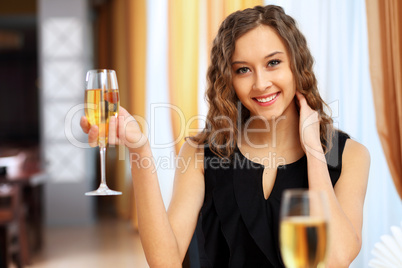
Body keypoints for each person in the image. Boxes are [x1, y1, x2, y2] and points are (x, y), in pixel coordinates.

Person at [81, 5, 370, 268]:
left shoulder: (349, 155)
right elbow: (165, 262)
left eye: (273, 63)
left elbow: (336, 258)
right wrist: (139, 149)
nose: (260, 83)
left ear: (297, 64)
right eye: (243, 70)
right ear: (228, 80)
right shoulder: (201, 152)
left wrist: (315, 153)